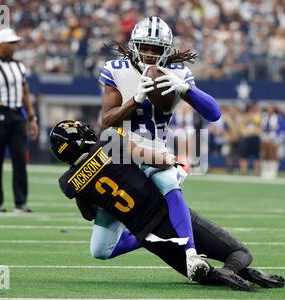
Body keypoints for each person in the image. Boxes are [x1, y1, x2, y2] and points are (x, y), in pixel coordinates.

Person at [50, 119, 285, 290]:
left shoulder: (68, 182)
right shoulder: (108, 141)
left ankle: (232, 273)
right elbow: (146, 156)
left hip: (149, 239)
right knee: (240, 252)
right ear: (81, 139)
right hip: (171, 216)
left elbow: (89, 214)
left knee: (202, 276)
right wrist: (169, 161)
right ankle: (234, 268)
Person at [93, 16, 221, 271]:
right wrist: (135, 100)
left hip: (155, 151)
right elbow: (106, 121)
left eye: (156, 49)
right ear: (134, 46)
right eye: (145, 48)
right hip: (119, 154)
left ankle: (192, 254)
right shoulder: (115, 69)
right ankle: (152, 233)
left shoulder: (178, 73)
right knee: (100, 250)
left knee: (168, 182)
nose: (150, 54)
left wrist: (186, 90)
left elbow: (214, 113)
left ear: (166, 52)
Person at [0, 28, 39, 213]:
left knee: (20, 158)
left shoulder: (19, 66)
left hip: (17, 116)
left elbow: (25, 93)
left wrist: (32, 118)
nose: (14, 47)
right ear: (1, 44)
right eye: (11, 43)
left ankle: (21, 202)